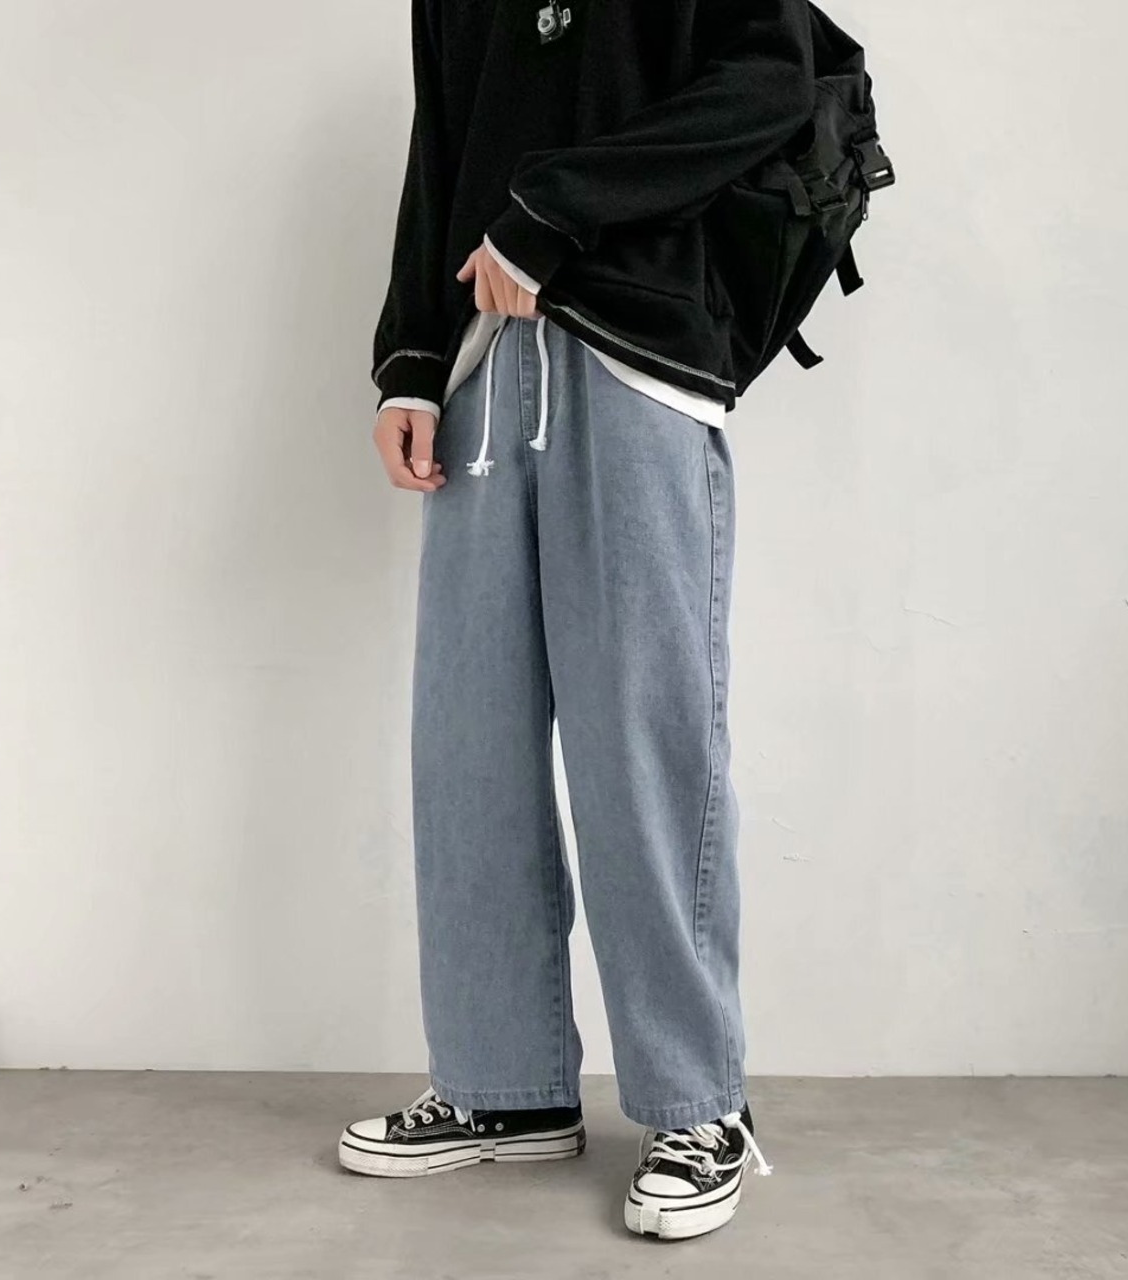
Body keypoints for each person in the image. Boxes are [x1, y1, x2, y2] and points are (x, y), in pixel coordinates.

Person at [338, 0, 816, 1242]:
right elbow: (441, 148)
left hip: (638, 357)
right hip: (484, 362)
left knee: (638, 741)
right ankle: (504, 1086)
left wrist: (554, 209)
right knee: (467, 742)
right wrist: (408, 359)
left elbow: (774, 80)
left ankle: (698, 1103)